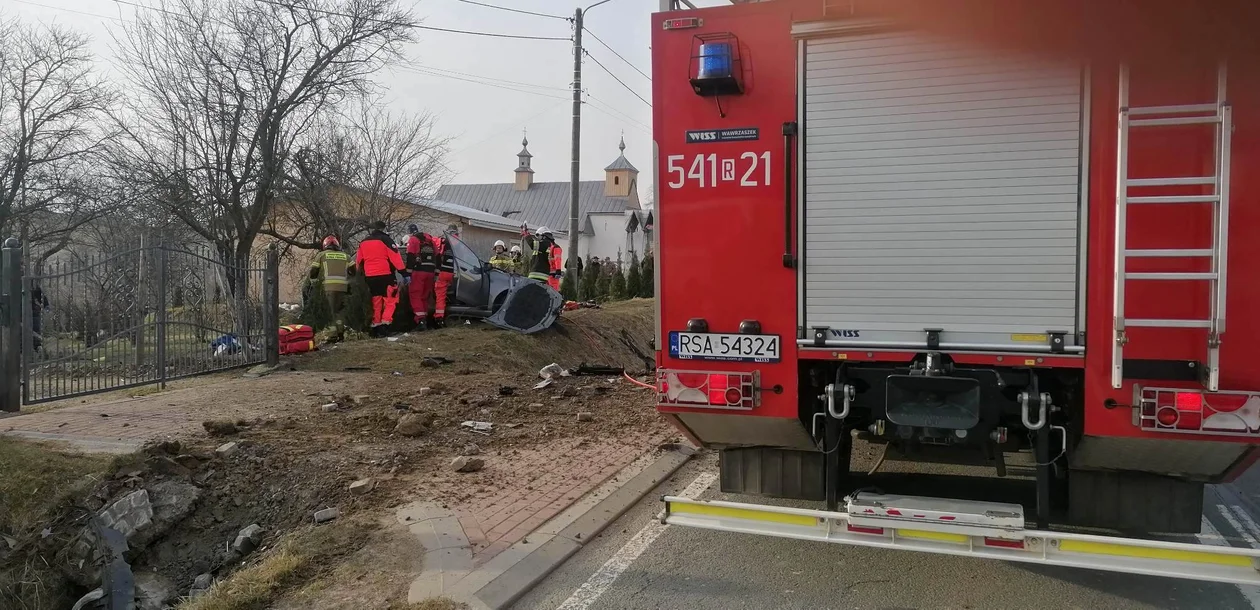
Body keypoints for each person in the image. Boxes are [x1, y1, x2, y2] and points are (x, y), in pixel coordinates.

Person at [354, 220, 405, 334]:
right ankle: (386, 325)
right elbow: (395, 257)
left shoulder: (363, 242)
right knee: (391, 300)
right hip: (385, 275)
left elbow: (358, 261)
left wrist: (360, 275)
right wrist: (403, 272)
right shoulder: (386, 240)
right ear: (384, 229)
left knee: (376, 301)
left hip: (370, 277)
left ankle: (376, 326)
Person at [309, 235, 355, 341]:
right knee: (339, 312)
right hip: (343, 288)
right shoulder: (346, 256)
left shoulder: (322, 255)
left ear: (325, 245)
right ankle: (340, 334)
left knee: (331, 312)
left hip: (329, 288)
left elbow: (313, 272)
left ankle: (332, 336)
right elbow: (353, 271)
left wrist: (315, 281)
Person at [405, 224, 439, 329]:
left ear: (410, 232)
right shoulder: (430, 241)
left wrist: (408, 273)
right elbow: (438, 256)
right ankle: (425, 318)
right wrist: (437, 273)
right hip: (431, 272)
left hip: (418, 272)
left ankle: (420, 320)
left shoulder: (413, 240)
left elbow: (410, 256)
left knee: (415, 295)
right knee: (424, 296)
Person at [524, 226, 562, 290]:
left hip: (539, 275)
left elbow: (532, 244)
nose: (538, 239)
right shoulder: (547, 246)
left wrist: (527, 234)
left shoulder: (546, 244)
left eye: (539, 236)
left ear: (544, 236)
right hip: (538, 275)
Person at [434, 225, 458, 327]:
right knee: (455, 293)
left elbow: (437, 255)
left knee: (440, 296)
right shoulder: (458, 243)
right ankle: (454, 314)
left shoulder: (441, 241)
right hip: (455, 273)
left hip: (443, 272)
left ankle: (439, 318)